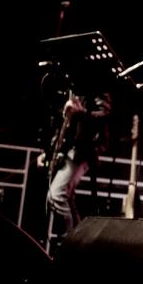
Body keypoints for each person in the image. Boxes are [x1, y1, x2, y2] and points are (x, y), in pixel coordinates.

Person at [39, 90, 112, 243]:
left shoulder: (96, 87)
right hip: (68, 151)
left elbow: (105, 115)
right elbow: (65, 124)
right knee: (66, 199)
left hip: (82, 151)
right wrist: (50, 152)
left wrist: (80, 112)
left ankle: (70, 243)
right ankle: (77, 242)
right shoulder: (73, 89)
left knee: (56, 196)